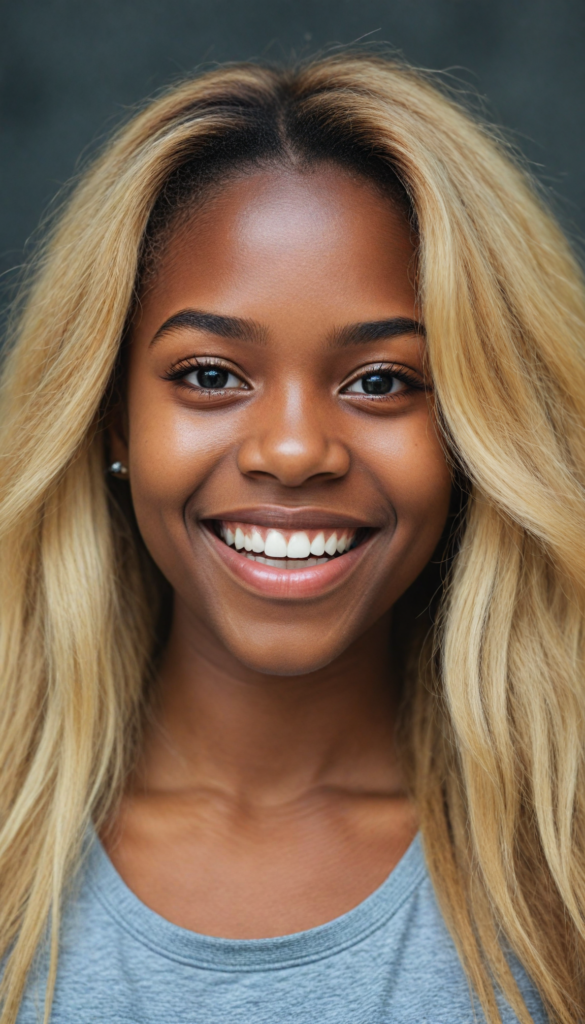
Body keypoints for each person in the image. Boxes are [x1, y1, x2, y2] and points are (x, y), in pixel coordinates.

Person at [0, 53, 583, 1024]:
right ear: (111, 417)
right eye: (212, 375)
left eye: (383, 381)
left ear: (477, 429)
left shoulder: (561, 875)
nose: (295, 449)